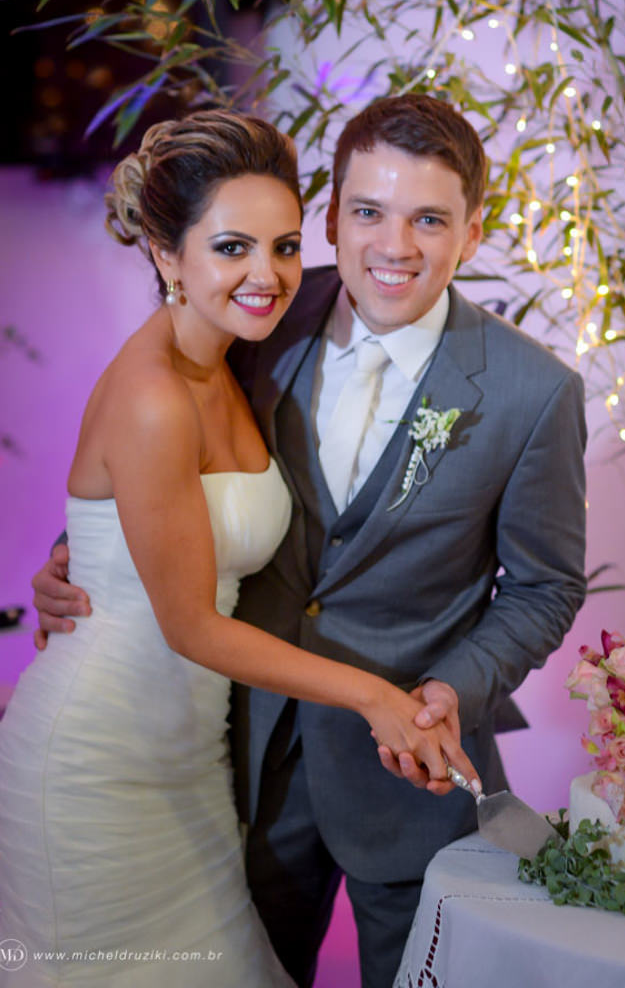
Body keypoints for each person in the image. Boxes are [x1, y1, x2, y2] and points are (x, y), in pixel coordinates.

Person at [34, 95, 588, 988]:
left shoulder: (535, 393)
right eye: (368, 211)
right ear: (330, 219)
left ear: (473, 233)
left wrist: (452, 687)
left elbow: (545, 587)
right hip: (236, 765)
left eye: (429, 219)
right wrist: (84, 555)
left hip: (408, 781)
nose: (394, 245)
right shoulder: (258, 317)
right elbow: (162, 459)